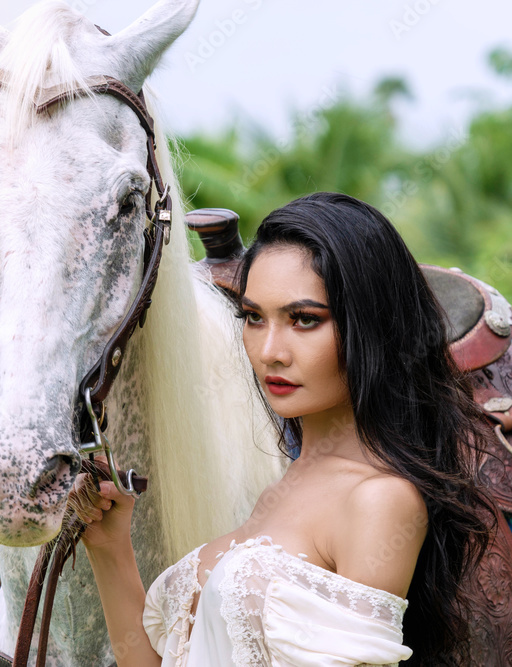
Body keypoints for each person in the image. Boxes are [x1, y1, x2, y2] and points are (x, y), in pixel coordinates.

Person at [75, 192, 496, 666]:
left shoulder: (380, 500)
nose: (270, 350)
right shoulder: (289, 483)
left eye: (304, 319)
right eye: (254, 317)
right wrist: (110, 546)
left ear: (371, 326)